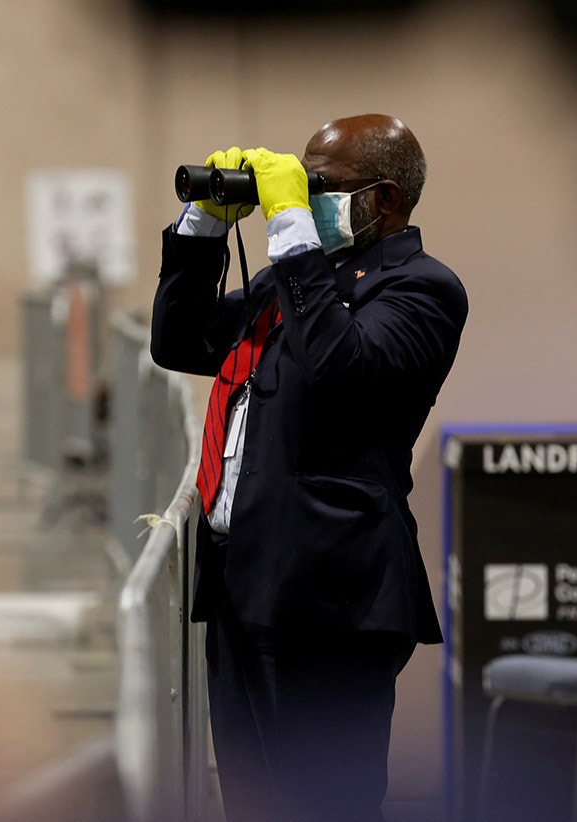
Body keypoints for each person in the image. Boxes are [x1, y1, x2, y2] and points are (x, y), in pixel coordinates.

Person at [150, 114, 467, 821]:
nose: (298, 195)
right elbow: (181, 341)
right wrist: (203, 225)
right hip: (242, 584)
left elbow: (341, 370)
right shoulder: (293, 283)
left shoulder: (422, 288)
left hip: (332, 594)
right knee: (254, 802)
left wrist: (292, 231)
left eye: (318, 185)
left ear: (382, 199)